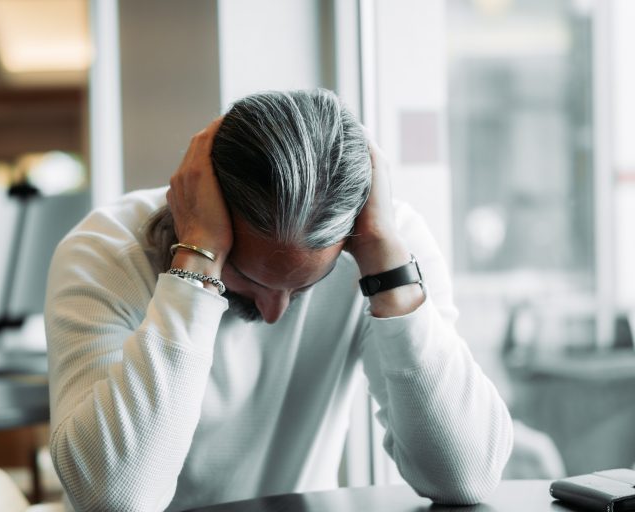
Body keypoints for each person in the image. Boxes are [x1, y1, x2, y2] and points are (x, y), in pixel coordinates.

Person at [45, 89, 513, 512]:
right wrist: (195, 268)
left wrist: (390, 275)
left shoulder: (380, 248)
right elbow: (112, 500)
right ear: (194, 209)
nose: (276, 313)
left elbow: (466, 476)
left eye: (306, 287)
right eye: (248, 279)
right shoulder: (104, 253)